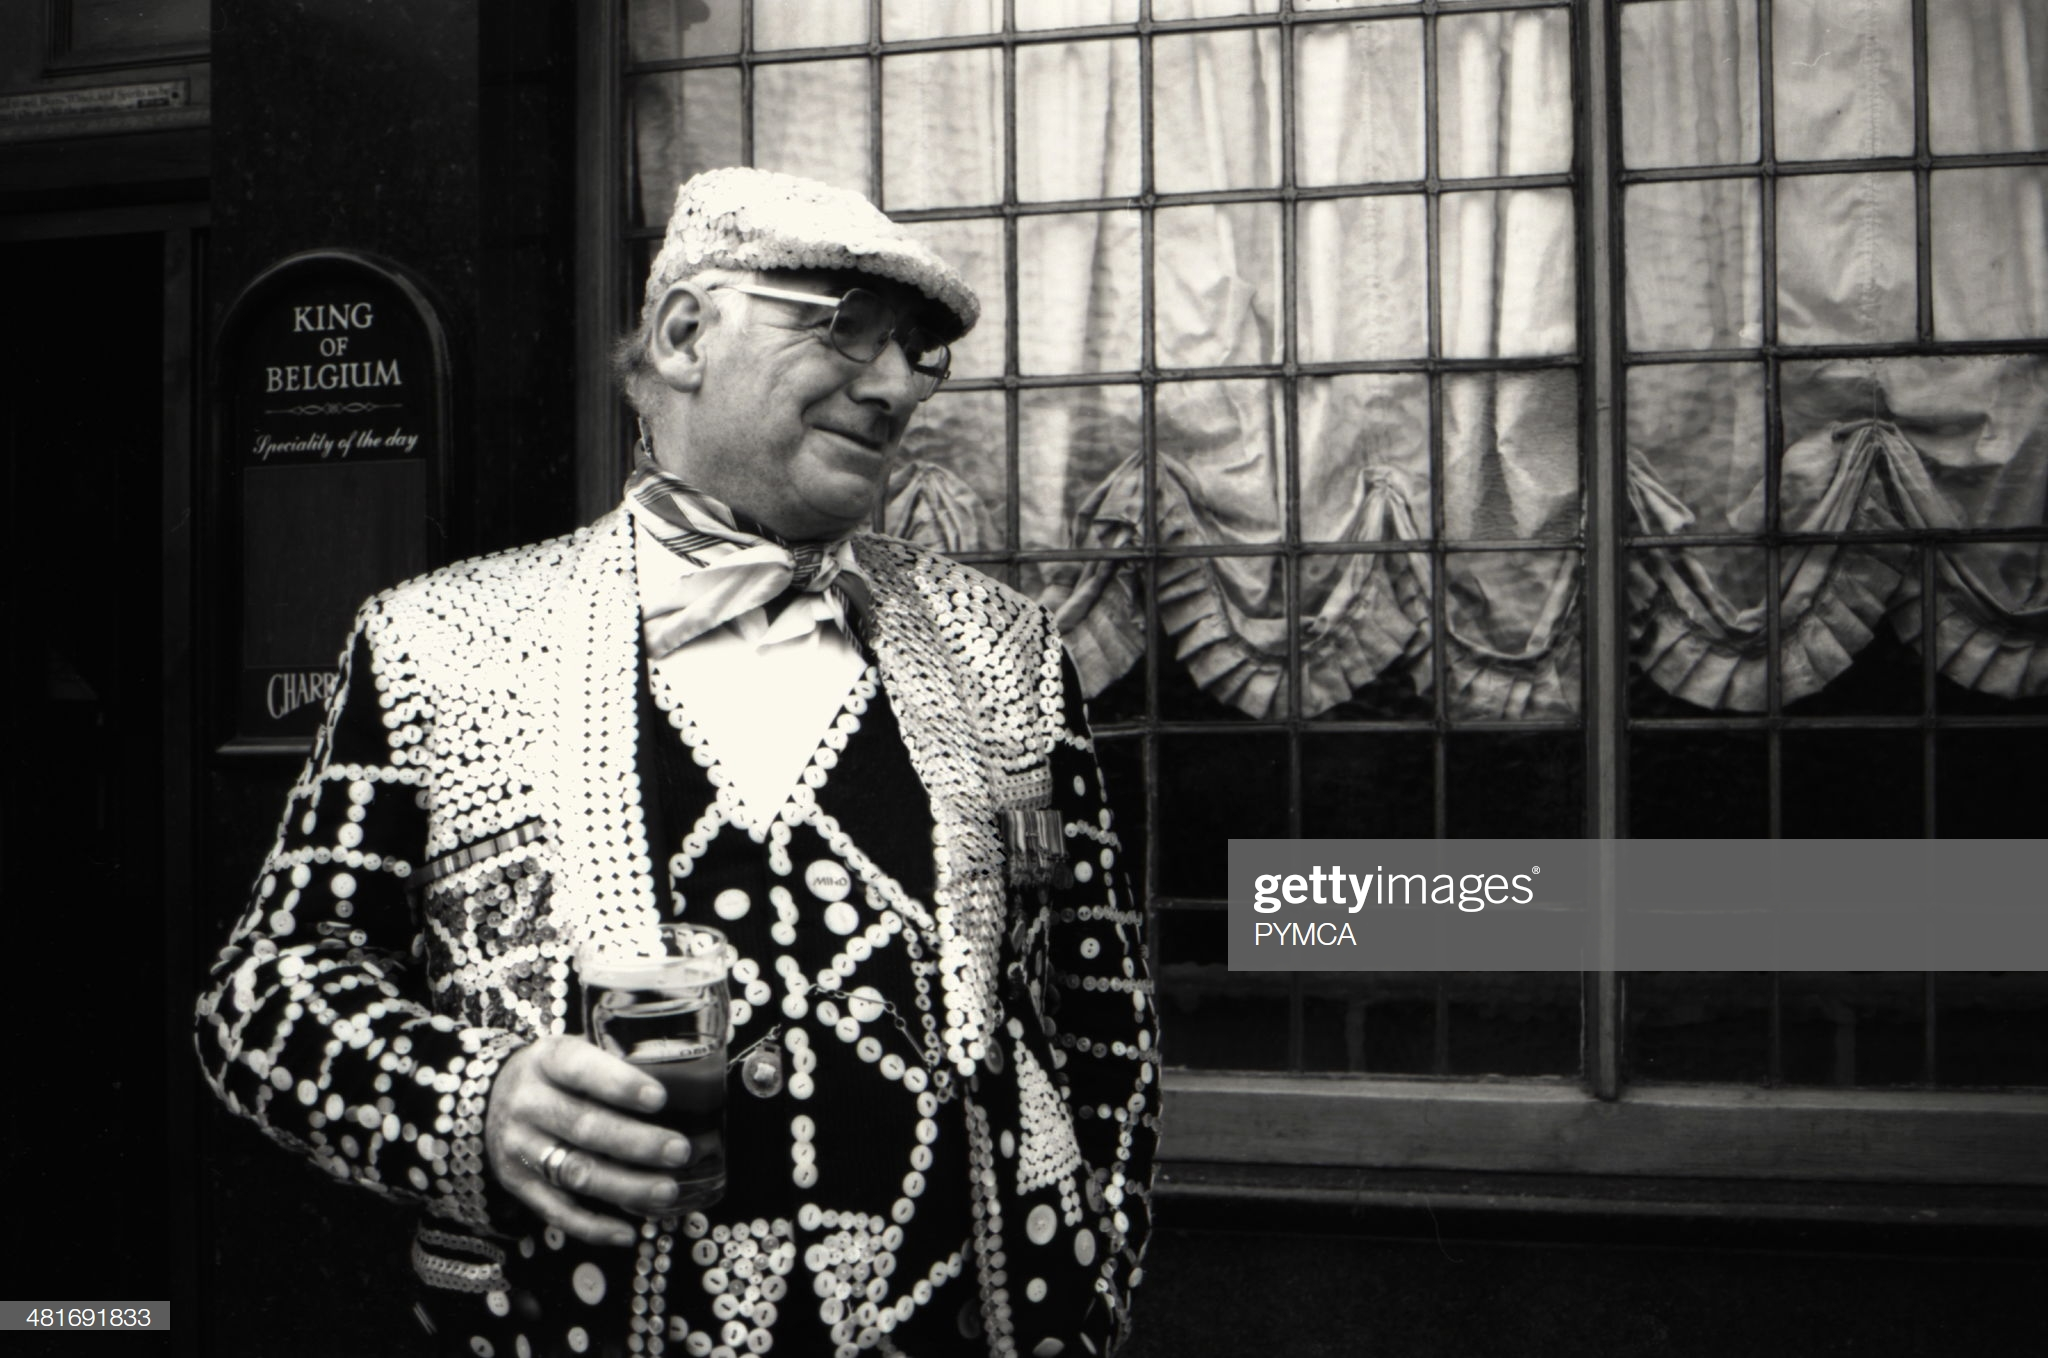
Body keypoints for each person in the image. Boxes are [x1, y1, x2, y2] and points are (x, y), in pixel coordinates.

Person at [195, 166, 1159, 1358]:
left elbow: (1101, 1013)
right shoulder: (433, 643)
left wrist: (1093, 1278)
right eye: (847, 326)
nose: (900, 380)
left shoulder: (1004, 646)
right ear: (685, 332)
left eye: (919, 347)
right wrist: (473, 1101)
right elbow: (266, 989)